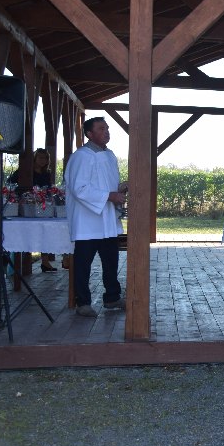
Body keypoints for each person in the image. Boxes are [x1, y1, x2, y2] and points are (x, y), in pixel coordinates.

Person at [64, 117, 127, 318]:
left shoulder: (110, 155)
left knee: (111, 262)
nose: (107, 132)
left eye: (107, 128)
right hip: (87, 222)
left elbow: (108, 186)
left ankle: (112, 297)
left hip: (107, 221)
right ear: (89, 134)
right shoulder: (81, 156)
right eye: (101, 128)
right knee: (83, 264)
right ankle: (83, 302)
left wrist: (121, 189)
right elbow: (79, 188)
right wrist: (109, 196)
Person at [7, 148, 57, 272]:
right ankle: (21, 263)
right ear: (34, 158)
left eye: (45, 158)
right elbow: (10, 183)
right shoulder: (24, 171)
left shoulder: (47, 173)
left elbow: (48, 189)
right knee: (26, 232)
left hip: (42, 207)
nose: (43, 160)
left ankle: (45, 261)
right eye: (40, 157)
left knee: (45, 232)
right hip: (27, 206)